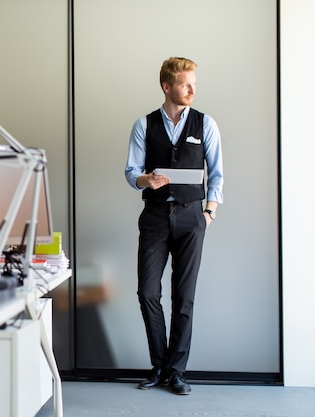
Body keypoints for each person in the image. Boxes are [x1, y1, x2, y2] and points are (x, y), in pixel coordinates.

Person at [124, 57, 224, 395]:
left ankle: (177, 371)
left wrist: (208, 213)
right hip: (154, 216)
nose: (192, 89)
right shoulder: (144, 125)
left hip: (191, 217)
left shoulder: (205, 124)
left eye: (194, 82)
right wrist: (145, 180)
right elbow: (130, 172)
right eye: (185, 83)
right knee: (148, 292)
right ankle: (159, 366)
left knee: (184, 298)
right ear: (167, 86)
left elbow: (217, 174)